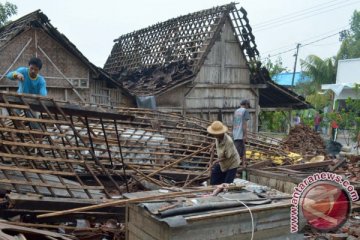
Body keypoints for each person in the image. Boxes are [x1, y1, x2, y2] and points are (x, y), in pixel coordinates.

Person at [207, 121, 241, 185]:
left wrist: (215, 161)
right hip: (223, 162)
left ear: (220, 133)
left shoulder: (229, 141)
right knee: (214, 178)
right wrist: (212, 146)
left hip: (232, 163)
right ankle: (214, 190)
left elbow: (227, 156)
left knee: (227, 183)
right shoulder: (218, 137)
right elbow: (216, 142)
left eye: (215, 133)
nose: (214, 134)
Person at [233, 99, 250, 166]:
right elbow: (244, 124)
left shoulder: (236, 111)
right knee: (237, 152)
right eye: (248, 105)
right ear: (246, 104)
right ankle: (235, 166)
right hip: (240, 134)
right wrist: (245, 135)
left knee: (243, 150)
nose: (248, 107)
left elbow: (234, 123)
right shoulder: (245, 111)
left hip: (235, 134)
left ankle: (243, 165)